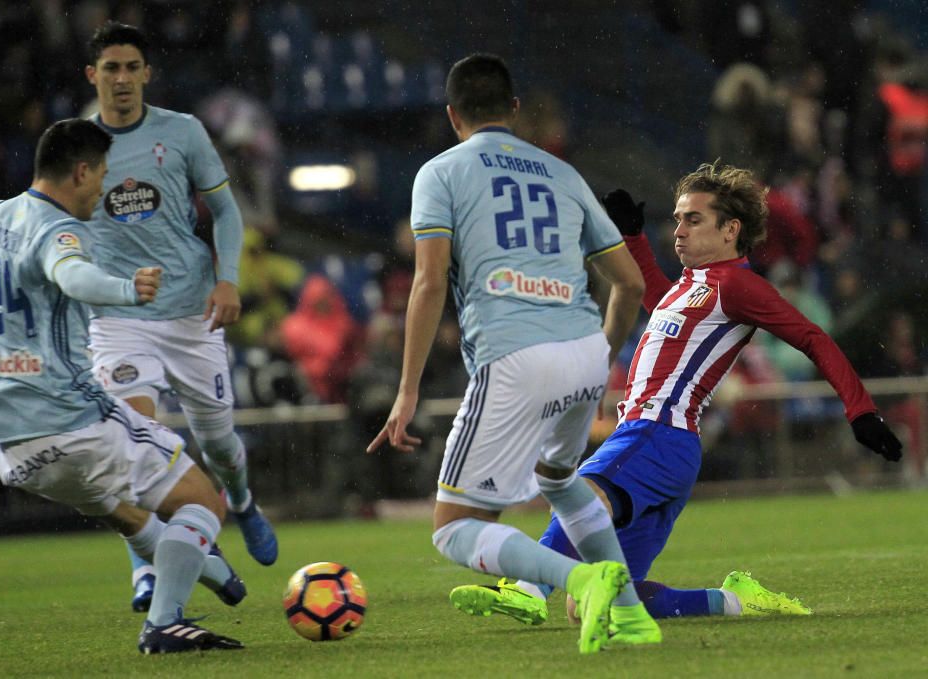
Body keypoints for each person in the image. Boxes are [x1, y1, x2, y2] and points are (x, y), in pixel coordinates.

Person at [449, 162, 904, 627]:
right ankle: (734, 601)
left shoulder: (737, 285)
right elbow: (657, 299)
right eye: (677, 217)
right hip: (670, 450)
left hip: (657, 432)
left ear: (731, 230)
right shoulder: (691, 287)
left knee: (577, 492)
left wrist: (860, 411)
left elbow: (813, 337)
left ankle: (526, 589)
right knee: (593, 604)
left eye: (694, 219)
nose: (679, 230)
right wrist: (632, 237)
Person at [366, 54, 653, 654]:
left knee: (453, 531)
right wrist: (597, 354)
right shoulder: (563, 173)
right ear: (515, 111)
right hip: (582, 351)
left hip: (515, 355)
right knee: (561, 480)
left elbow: (429, 281)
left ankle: (582, 576)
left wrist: (407, 388)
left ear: (452, 116)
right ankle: (630, 616)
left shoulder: (439, 174)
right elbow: (630, 284)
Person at [0, 119, 246, 653]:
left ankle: (207, 571)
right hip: (71, 418)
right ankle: (166, 622)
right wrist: (126, 288)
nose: (103, 189)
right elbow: (72, 273)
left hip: (10, 444)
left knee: (119, 508)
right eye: (100, 175)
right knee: (203, 503)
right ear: (80, 171)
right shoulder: (58, 230)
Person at [81, 21, 277, 612]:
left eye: (130, 67)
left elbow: (226, 212)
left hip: (192, 313)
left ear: (147, 74)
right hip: (118, 319)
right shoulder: (73, 144)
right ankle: (146, 568)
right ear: (92, 76)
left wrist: (228, 278)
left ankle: (240, 501)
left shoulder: (182, 132)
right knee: (137, 447)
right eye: (109, 68)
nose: (120, 78)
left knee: (218, 446)